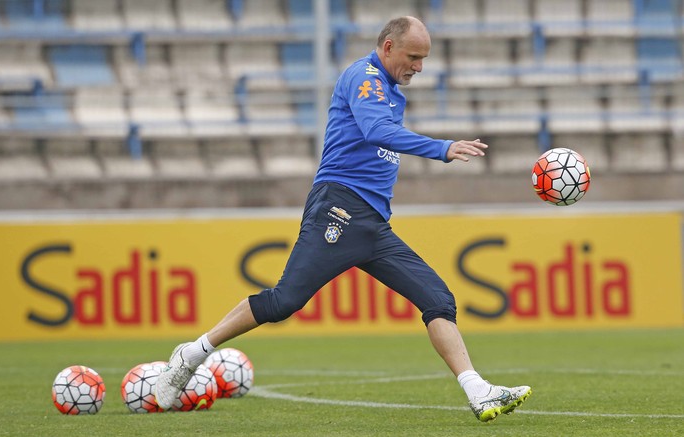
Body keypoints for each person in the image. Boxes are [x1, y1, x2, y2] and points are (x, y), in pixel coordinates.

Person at [155, 16, 531, 422]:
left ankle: (478, 391)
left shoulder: (389, 90)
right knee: (284, 301)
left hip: (372, 224)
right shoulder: (365, 76)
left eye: (424, 59)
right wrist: (442, 148)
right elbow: (374, 130)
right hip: (340, 207)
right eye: (414, 56)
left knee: (438, 300)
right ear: (388, 47)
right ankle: (192, 353)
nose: (419, 67)